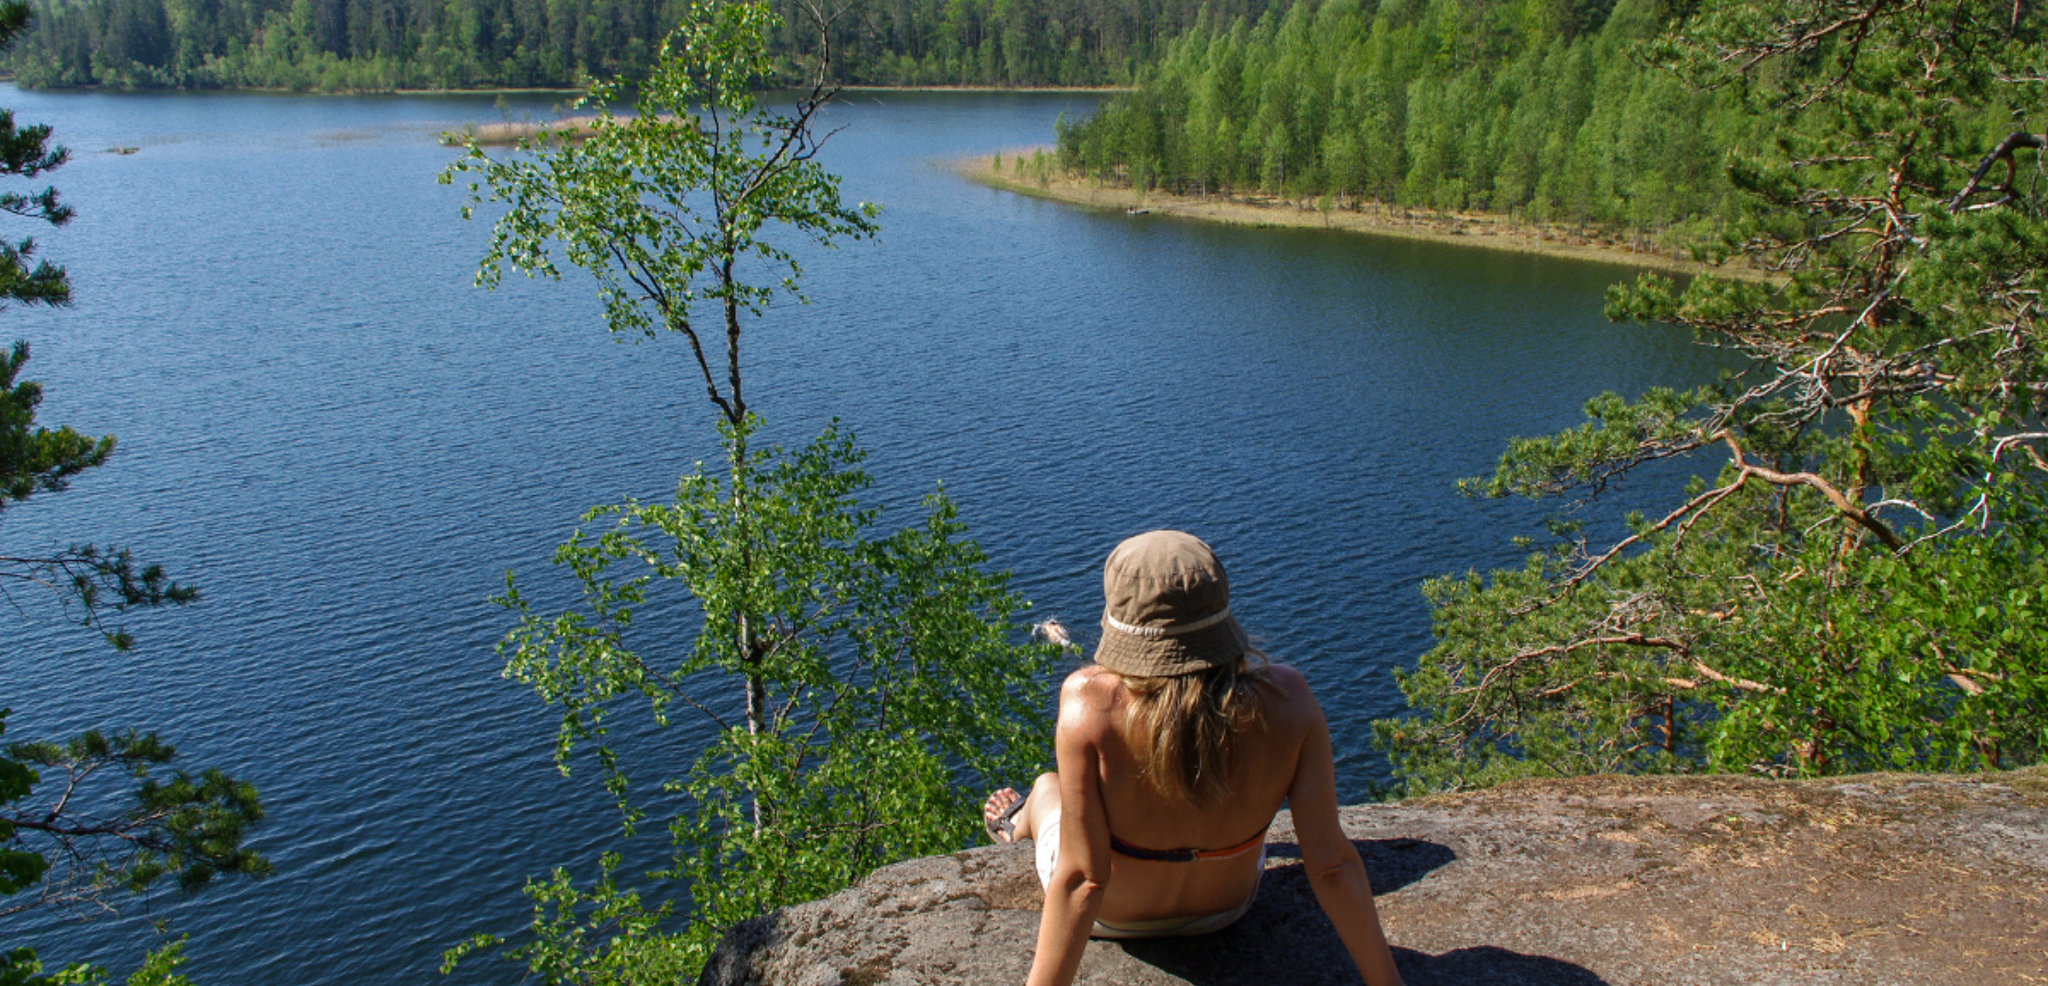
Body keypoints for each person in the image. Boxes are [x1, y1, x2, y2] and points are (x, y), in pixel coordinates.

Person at [983, 530, 1405, 986]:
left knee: (1048, 788)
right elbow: (1332, 865)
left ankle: (1014, 823)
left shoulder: (1087, 705)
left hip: (1115, 916)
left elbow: (1083, 878)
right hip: (1227, 907)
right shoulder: (1290, 700)